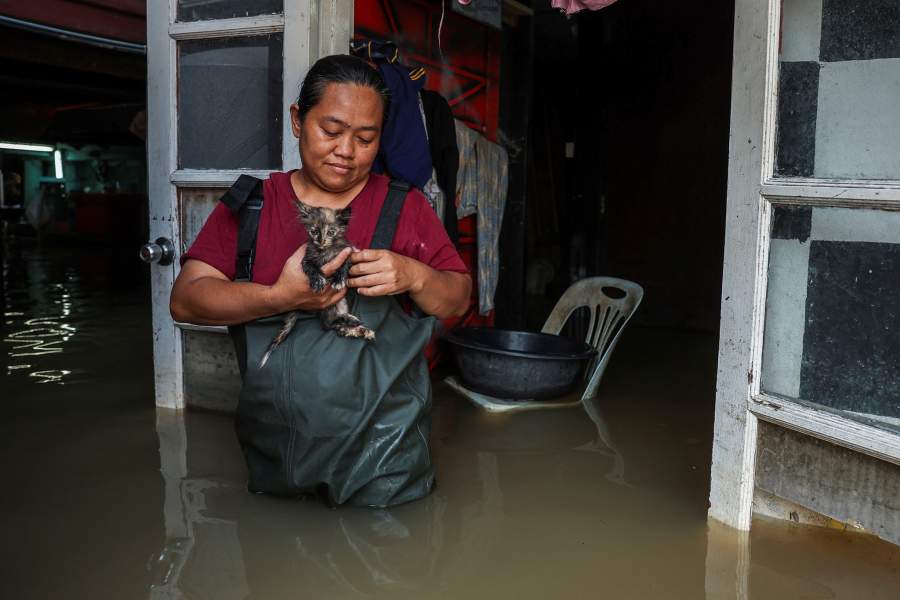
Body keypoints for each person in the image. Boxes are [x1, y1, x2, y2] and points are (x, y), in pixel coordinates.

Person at [170, 55, 471, 507]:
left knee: (391, 565)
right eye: (330, 131)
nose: (346, 151)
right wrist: (279, 296)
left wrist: (414, 274)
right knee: (277, 561)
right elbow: (186, 302)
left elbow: (457, 300)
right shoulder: (254, 205)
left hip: (384, 463)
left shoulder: (404, 207)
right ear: (298, 120)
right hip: (276, 457)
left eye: (365, 138)